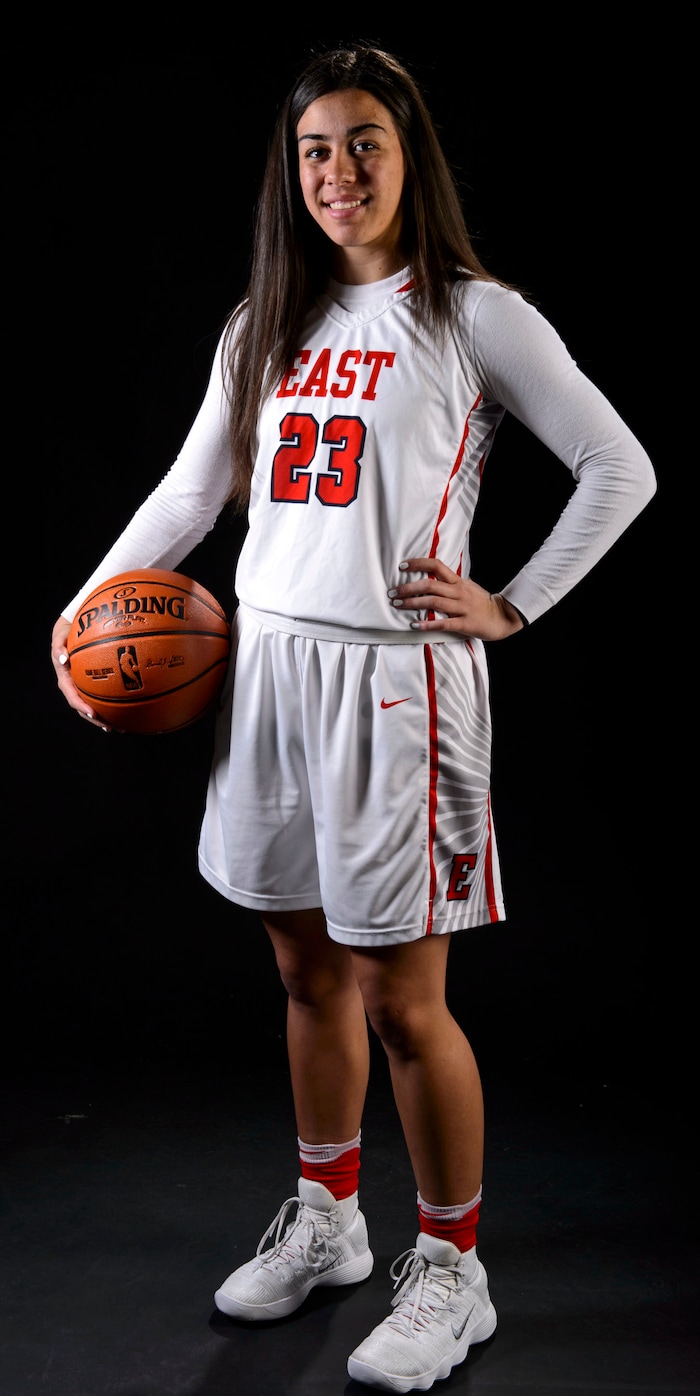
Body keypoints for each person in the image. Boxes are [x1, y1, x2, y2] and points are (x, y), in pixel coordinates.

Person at [51, 43, 655, 1394]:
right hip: (264, 667)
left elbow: (622, 466)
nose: (339, 173)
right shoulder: (263, 320)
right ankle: (329, 1221)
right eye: (316, 150)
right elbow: (188, 497)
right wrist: (83, 611)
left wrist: (515, 600)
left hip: (399, 679)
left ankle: (454, 1270)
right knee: (303, 971)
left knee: (403, 1003)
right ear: (292, 172)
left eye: (364, 143)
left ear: (409, 155)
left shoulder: (474, 314)